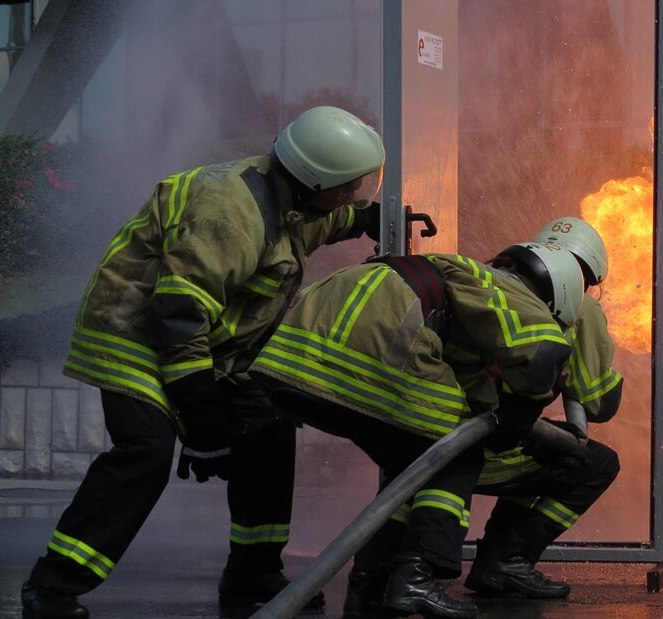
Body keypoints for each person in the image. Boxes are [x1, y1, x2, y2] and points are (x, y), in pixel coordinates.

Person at [20, 105, 388, 619]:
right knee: (145, 452)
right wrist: (204, 422)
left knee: (270, 424)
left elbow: (322, 224)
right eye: (348, 187)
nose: (354, 195)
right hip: (136, 337)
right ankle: (52, 588)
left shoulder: (289, 199)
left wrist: (375, 221)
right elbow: (177, 315)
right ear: (314, 178)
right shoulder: (231, 213)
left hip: (200, 344)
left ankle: (253, 572)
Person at [249, 242, 585, 619]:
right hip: (369, 346)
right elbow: (545, 352)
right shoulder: (512, 292)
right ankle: (418, 574)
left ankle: (372, 582)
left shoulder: (455, 283)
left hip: (291, 358)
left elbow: (472, 390)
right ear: (556, 297)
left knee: (411, 463)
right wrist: (521, 417)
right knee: (454, 455)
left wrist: (509, 427)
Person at [465, 216, 624, 599]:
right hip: (484, 445)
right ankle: (509, 559)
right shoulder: (581, 309)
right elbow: (597, 402)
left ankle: (492, 564)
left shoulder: (489, 282)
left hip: (438, 431)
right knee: (598, 465)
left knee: (543, 447)